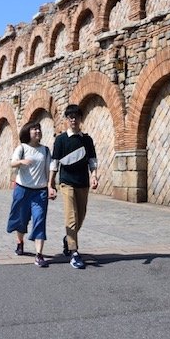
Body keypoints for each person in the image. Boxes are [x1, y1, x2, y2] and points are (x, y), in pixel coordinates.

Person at [49, 104, 98, 269]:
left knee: (80, 217)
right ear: (66, 120)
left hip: (83, 183)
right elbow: (54, 163)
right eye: (70, 117)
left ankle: (68, 239)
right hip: (66, 182)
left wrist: (94, 176)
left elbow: (92, 160)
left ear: (80, 119)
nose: (73, 120)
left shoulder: (86, 139)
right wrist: (51, 184)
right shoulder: (61, 140)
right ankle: (74, 252)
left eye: (76, 117)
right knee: (71, 216)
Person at [7, 122, 54, 267]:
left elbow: (49, 169)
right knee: (21, 219)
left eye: (39, 129)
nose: (38, 131)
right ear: (28, 132)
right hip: (22, 190)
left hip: (40, 192)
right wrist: (22, 161)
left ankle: (39, 255)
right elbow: (12, 163)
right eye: (35, 129)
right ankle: (20, 242)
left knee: (39, 219)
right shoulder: (22, 148)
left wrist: (51, 186)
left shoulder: (45, 150)